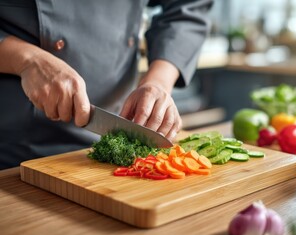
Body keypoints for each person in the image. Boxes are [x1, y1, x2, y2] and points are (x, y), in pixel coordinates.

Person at [0, 0, 213, 169]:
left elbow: (187, 8)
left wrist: (158, 82)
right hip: (12, 149)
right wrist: (26, 60)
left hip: (111, 127)